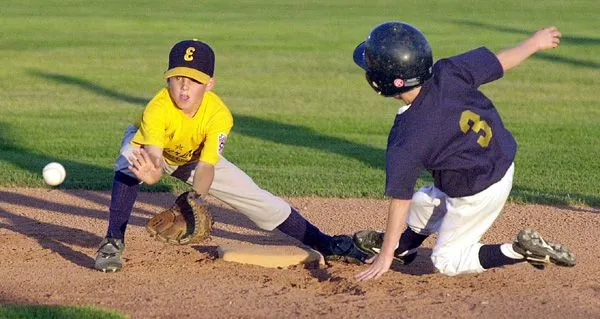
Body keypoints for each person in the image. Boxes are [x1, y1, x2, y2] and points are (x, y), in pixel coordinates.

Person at [94, 39, 367, 272]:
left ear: (209, 83)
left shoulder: (219, 115)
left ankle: (325, 243)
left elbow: (206, 167)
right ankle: (112, 241)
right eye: (177, 78)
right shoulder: (158, 108)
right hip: (155, 149)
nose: (184, 87)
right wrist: (152, 176)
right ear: (167, 78)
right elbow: (154, 157)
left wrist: (194, 197)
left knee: (255, 197)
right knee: (130, 160)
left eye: (193, 80)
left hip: (194, 157)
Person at [350, 22, 576, 281]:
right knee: (424, 202)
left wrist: (385, 254)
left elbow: (400, 200)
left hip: (477, 191)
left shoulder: (406, 136)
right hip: (497, 159)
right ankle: (406, 247)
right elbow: (499, 62)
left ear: (381, 82)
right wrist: (534, 43)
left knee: (446, 261)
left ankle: (517, 250)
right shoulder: (448, 72)